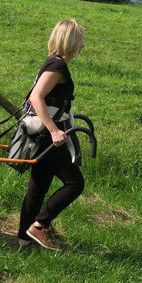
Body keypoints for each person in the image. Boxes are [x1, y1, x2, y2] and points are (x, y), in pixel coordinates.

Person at [17, 18, 86, 251]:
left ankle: (24, 239)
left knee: (38, 187)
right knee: (75, 183)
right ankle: (40, 225)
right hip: (48, 136)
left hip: (42, 135)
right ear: (72, 42)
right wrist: (54, 130)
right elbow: (36, 98)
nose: (83, 46)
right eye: (81, 41)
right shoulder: (58, 67)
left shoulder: (52, 63)